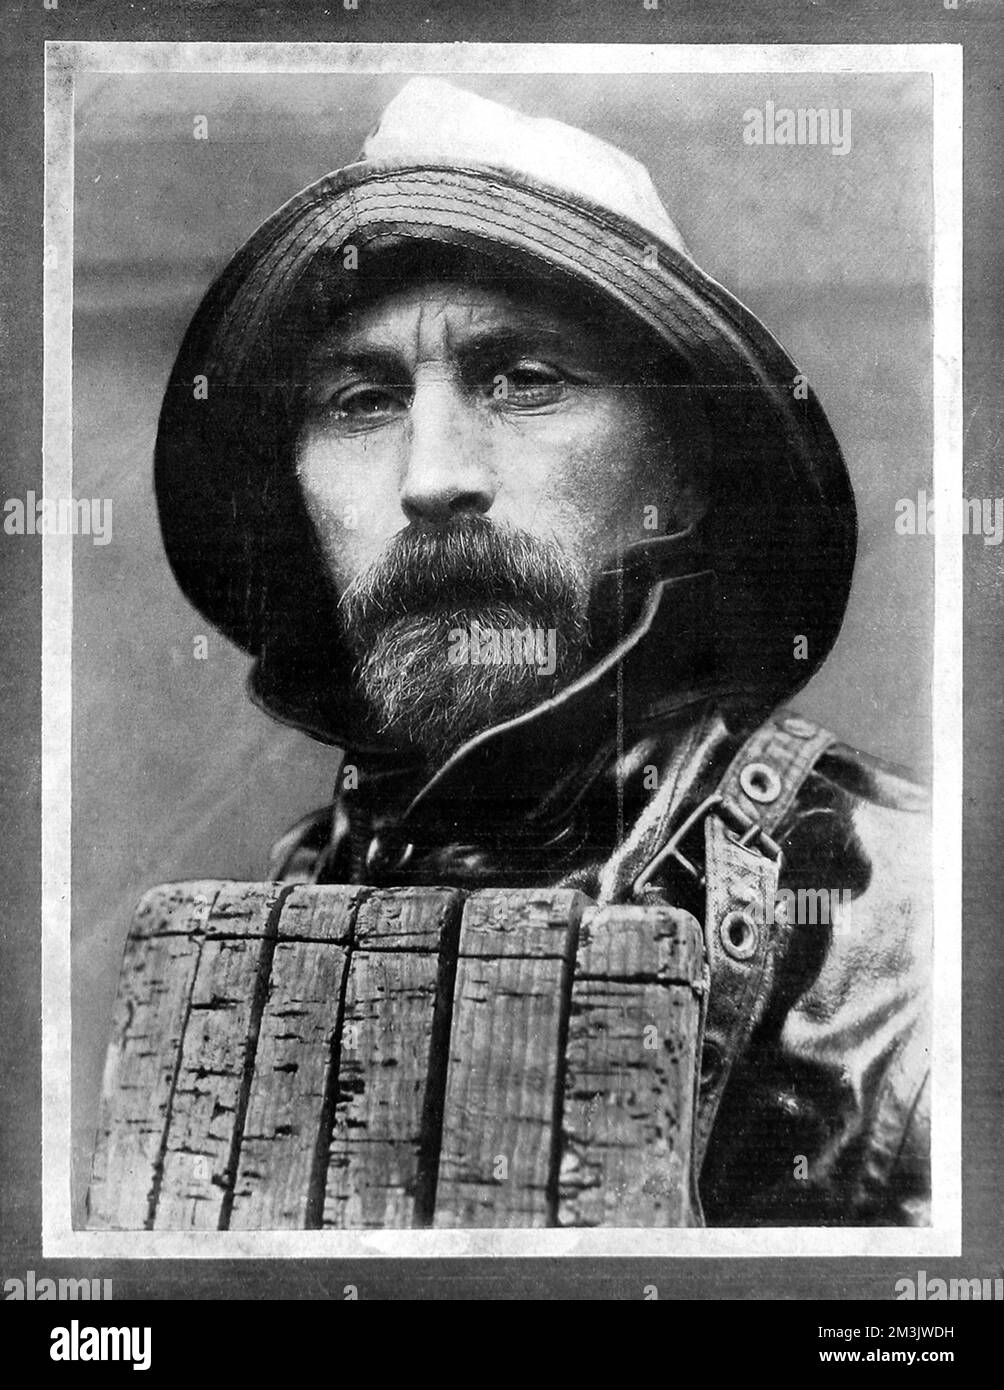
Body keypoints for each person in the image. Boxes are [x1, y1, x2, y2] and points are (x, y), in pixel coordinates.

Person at [154, 78, 931, 1226]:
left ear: (681, 470)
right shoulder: (270, 922)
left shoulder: (908, 935)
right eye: (362, 402)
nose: (430, 477)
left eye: (523, 381)